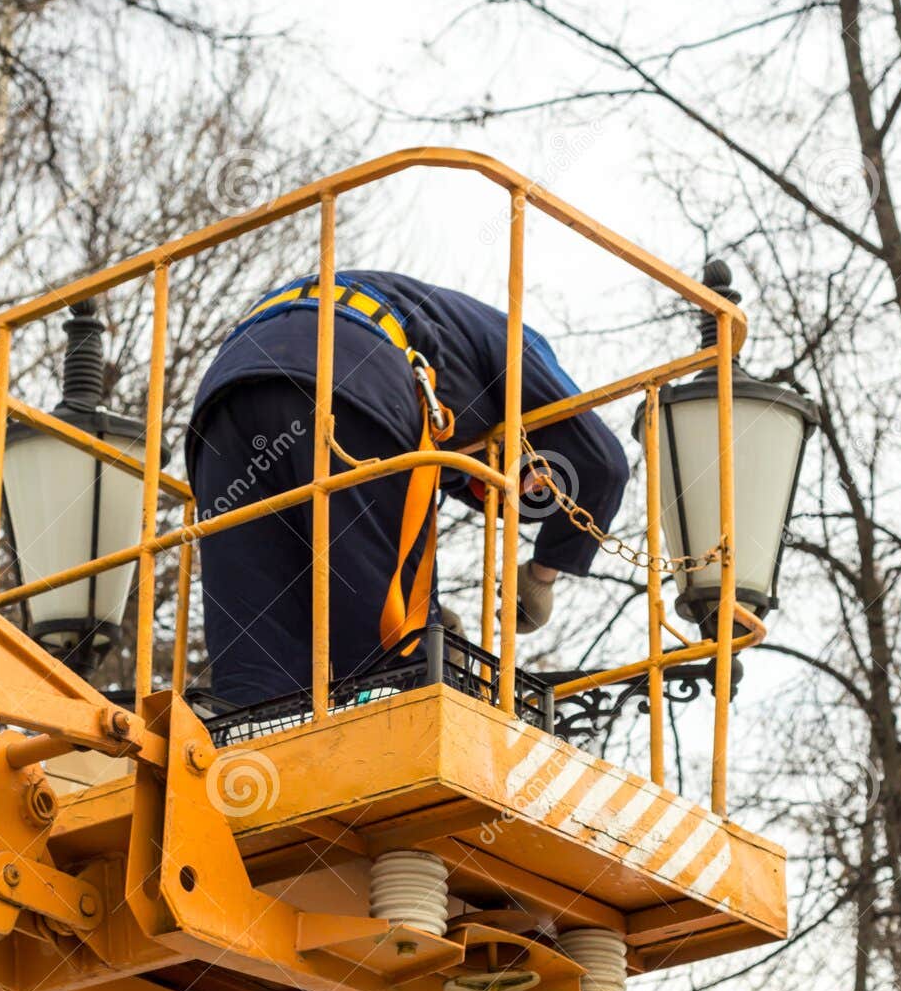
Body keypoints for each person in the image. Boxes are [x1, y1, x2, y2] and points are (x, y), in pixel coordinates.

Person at [185, 270, 629, 706]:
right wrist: (541, 576)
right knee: (393, 665)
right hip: (348, 367)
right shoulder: (515, 345)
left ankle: (252, 761)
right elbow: (604, 465)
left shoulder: (447, 373)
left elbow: (348, 548)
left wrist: (430, 616)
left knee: (257, 676)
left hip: (226, 395)